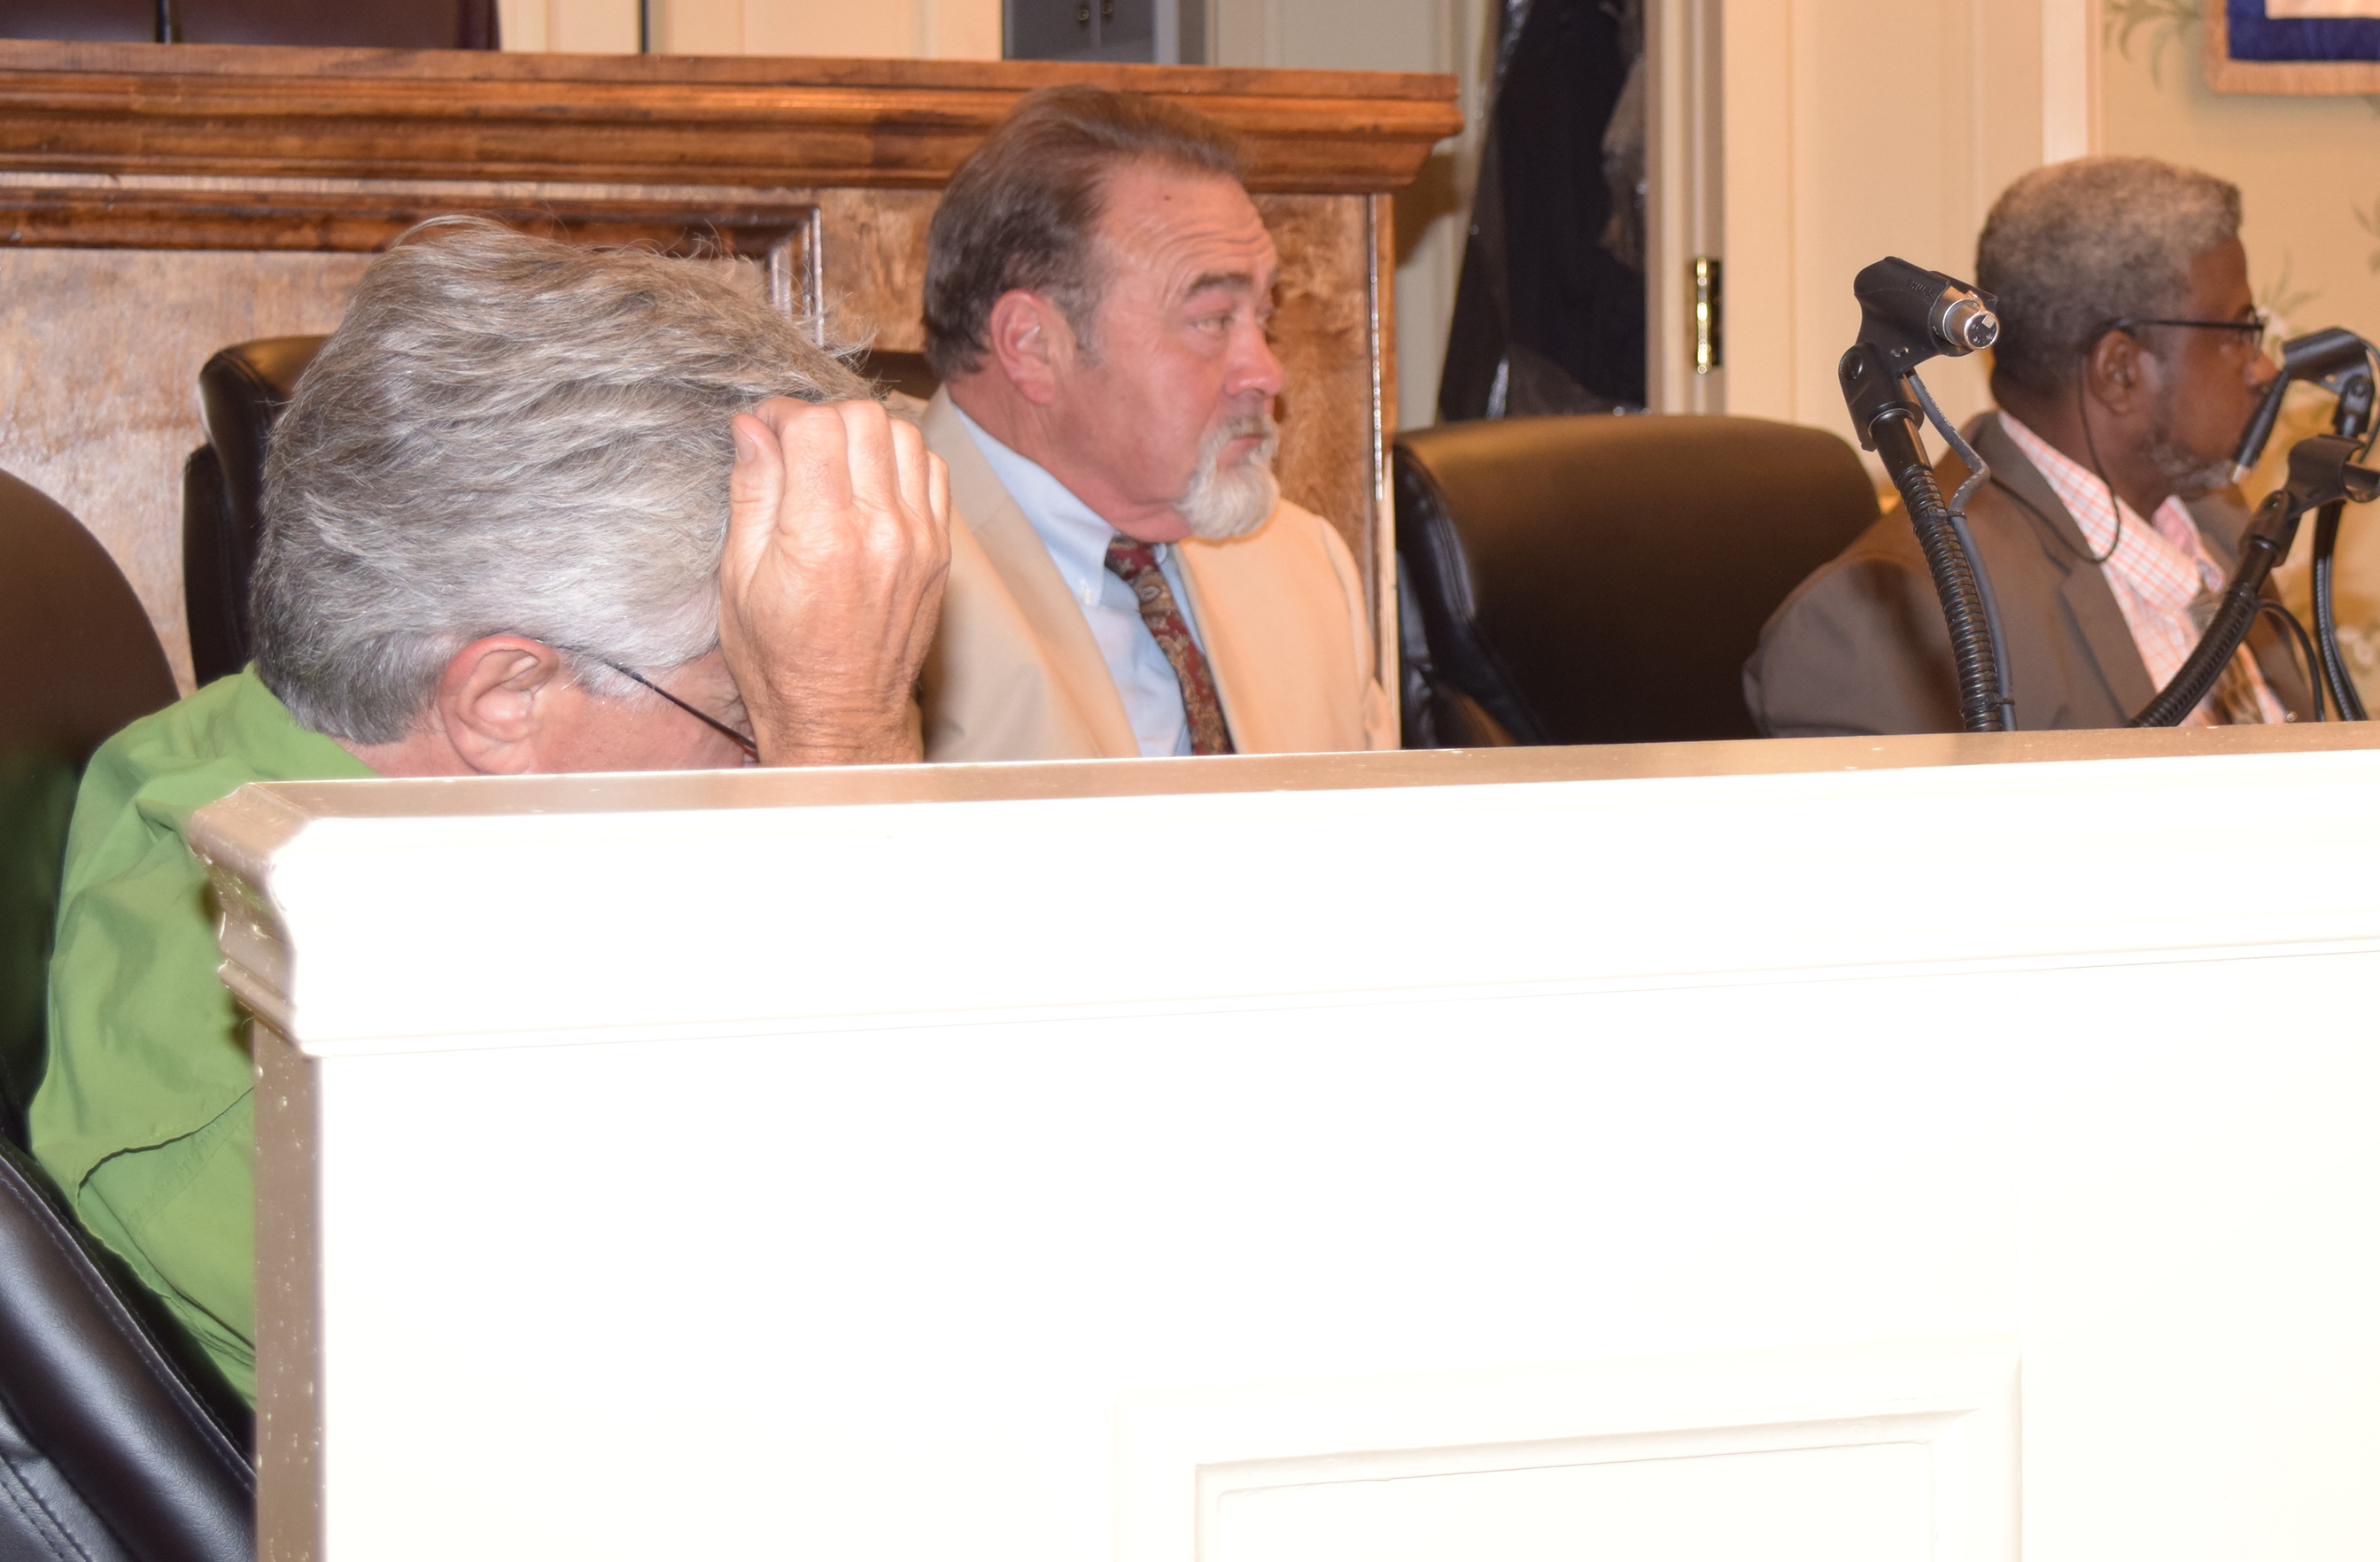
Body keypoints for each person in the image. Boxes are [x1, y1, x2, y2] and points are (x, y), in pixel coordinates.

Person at [31, 222, 951, 1400]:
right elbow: (852, 1326)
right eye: (749, 708)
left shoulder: (312, 756)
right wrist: (839, 744)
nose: (768, 757)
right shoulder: (295, 1075)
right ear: (507, 699)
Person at [1748, 156, 2309, 737]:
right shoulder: (1887, 630)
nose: (2263, 369)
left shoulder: (2218, 520)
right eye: (2241, 331)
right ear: (2119, 371)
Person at [916, 87, 1392, 760]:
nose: (1267, 372)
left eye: (1263, 317)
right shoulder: (864, 578)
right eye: (1212, 320)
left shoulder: (1303, 565)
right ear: (1033, 344)